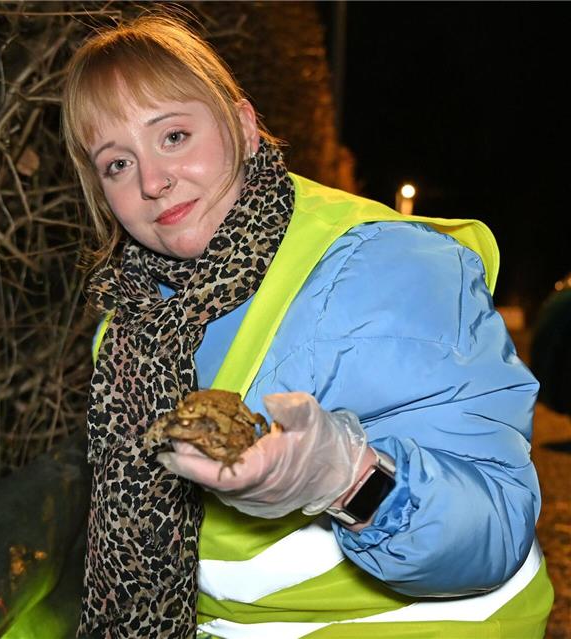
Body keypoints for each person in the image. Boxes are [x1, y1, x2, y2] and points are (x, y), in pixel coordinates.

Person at [60, 13, 553, 639]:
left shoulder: (389, 268)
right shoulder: (133, 325)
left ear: (240, 125)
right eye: (117, 165)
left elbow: (496, 525)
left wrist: (348, 479)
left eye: (175, 136)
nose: (153, 181)